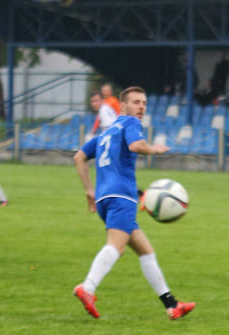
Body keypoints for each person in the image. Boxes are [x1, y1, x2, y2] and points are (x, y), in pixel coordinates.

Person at [72, 86, 195, 321]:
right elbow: (136, 146)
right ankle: (87, 288)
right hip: (122, 199)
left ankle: (172, 305)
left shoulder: (106, 133)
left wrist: (89, 190)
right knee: (115, 247)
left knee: (145, 251)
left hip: (106, 199)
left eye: (144, 103)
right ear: (123, 106)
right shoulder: (130, 124)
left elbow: (79, 157)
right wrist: (154, 149)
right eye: (136, 102)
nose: (141, 107)